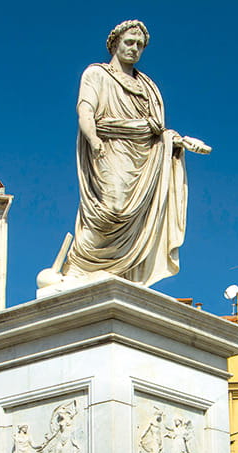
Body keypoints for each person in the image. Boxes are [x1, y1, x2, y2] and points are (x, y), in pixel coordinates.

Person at [54, 19, 209, 288]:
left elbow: (156, 130)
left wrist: (175, 140)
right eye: (129, 42)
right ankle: (80, 265)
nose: (134, 48)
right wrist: (93, 140)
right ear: (115, 43)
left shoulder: (148, 86)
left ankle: (122, 269)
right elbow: (86, 110)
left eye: (140, 45)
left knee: (136, 216)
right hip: (109, 148)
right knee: (110, 210)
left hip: (143, 158)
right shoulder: (96, 74)